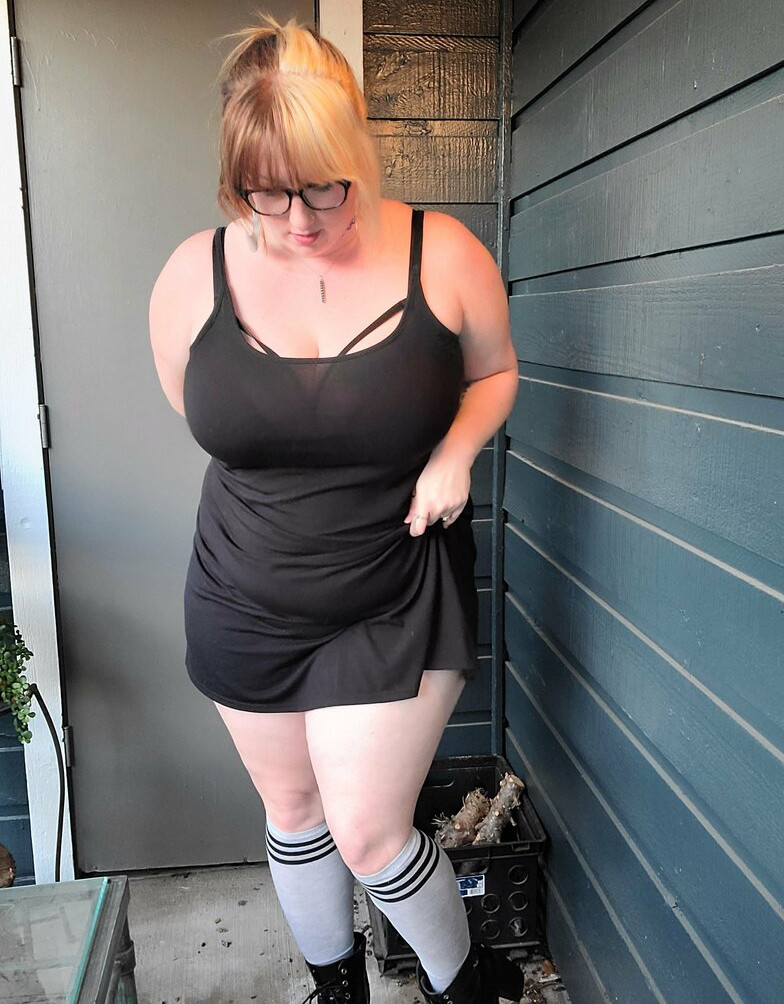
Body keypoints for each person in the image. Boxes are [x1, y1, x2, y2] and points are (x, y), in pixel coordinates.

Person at [148, 14, 520, 1004]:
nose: (300, 221)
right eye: (266, 196)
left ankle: (468, 987)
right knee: (293, 806)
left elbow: (495, 371)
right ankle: (336, 987)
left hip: (393, 588)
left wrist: (454, 451)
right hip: (241, 590)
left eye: (324, 189)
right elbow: (202, 408)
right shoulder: (191, 275)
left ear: (359, 148)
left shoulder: (442, 253)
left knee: (368, 829)